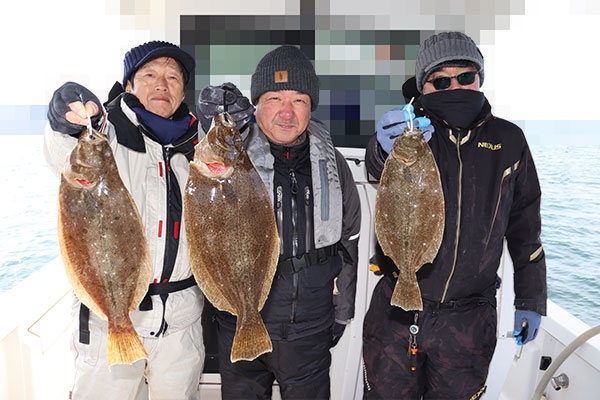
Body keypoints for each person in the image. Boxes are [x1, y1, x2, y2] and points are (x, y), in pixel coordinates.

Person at [362, 31, 547, 399]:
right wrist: (382, 150)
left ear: (479, 77)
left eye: (465, 76)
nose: (455, 87)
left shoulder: (509, 140)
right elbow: (377, 170)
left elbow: (525, 227)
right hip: (396, 313)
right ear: (422, 87)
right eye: (441, 81)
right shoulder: (412, 133)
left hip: (469, 323)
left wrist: (530, 299)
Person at [197, 45, 361, 399]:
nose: (287, 112)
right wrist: (217, 115)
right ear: (255, 105)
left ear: (311, 107)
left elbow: (350, 239)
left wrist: (342, 311)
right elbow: (201, 163)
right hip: (239, 321)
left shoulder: (333, 164)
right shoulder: (229, 156)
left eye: (299, 100)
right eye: (274, 98)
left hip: (309, 329)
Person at [44, 41, 205, 400]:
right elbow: (66, 151)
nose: (161, 85)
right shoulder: (107, 134)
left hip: (181, 323)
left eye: (173, 77)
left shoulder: (200, 145)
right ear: (129, 85)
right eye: (149, 75)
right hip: (108, 320)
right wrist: (66, 122)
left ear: (182, 92)